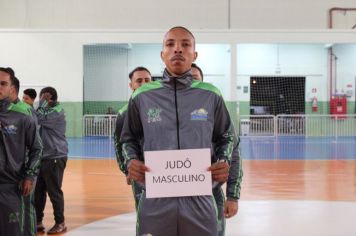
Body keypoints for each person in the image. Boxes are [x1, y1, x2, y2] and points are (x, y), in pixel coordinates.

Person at [121, 26, 235, 236]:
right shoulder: (142, 96)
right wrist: (131, 161)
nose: (178, 49)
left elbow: (226, 136)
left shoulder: (210, 95)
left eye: (185, 44)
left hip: (201, 199)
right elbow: (128, 139)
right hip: (155, 198)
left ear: (194, 54)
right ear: (162, 54)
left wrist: (224, 160)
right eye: (170, 44)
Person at [190, 63, 243, 236]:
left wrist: (233, 196)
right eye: (186, 79)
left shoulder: (216, 112)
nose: (191, 83)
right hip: (172, 196)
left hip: (211, 194)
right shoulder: (168, 115)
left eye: (195, 78)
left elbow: (233, 154)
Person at [0, 67, 42, 236]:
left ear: (12, 88)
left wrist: (30, 176)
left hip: (11, 185)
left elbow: (37, 148)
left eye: (3, 84)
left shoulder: (23, 115)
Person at [114, 66, 152, 209]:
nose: (143, 84)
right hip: (140, 172)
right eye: (139, 81)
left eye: (147, 80)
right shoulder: (124, 113)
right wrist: (127, 169)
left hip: (164, 170)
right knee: (145, 213)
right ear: (131, 85)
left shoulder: (162, 107)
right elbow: (119, 144)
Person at [35, 87, 68, 234]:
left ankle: (60, 223)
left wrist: (41, 103)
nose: (40, 101)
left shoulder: (57, 111)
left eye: (42, 98)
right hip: (43, 157)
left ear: (48, 98)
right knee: (39, 191)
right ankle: (38, 221)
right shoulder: (47, 111)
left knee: (54, 192)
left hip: (55, 157)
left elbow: (37, 117)